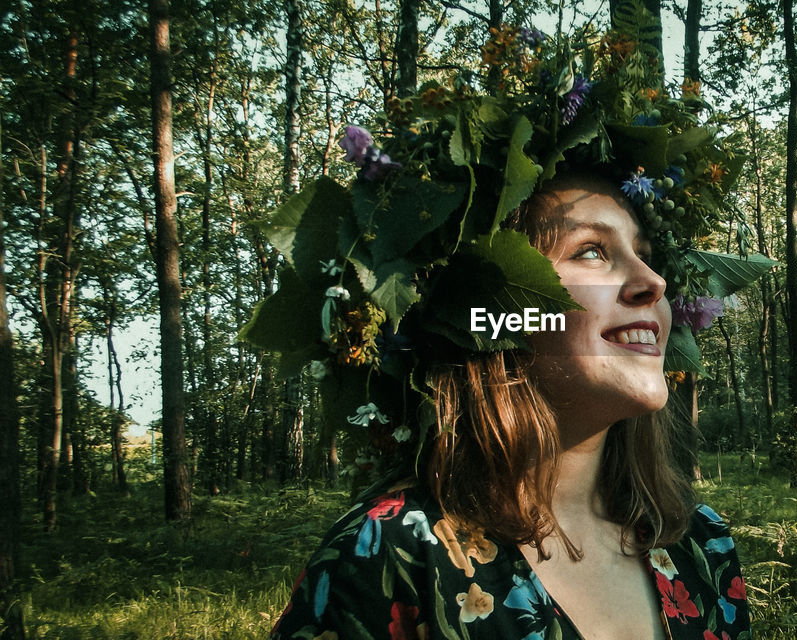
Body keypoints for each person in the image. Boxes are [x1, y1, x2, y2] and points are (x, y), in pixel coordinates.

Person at [246, 25, 764, 640]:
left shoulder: (700, 545)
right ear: (490, 312)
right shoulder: (392, 554)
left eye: (646, 253)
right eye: (593, 252)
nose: (652, 281)